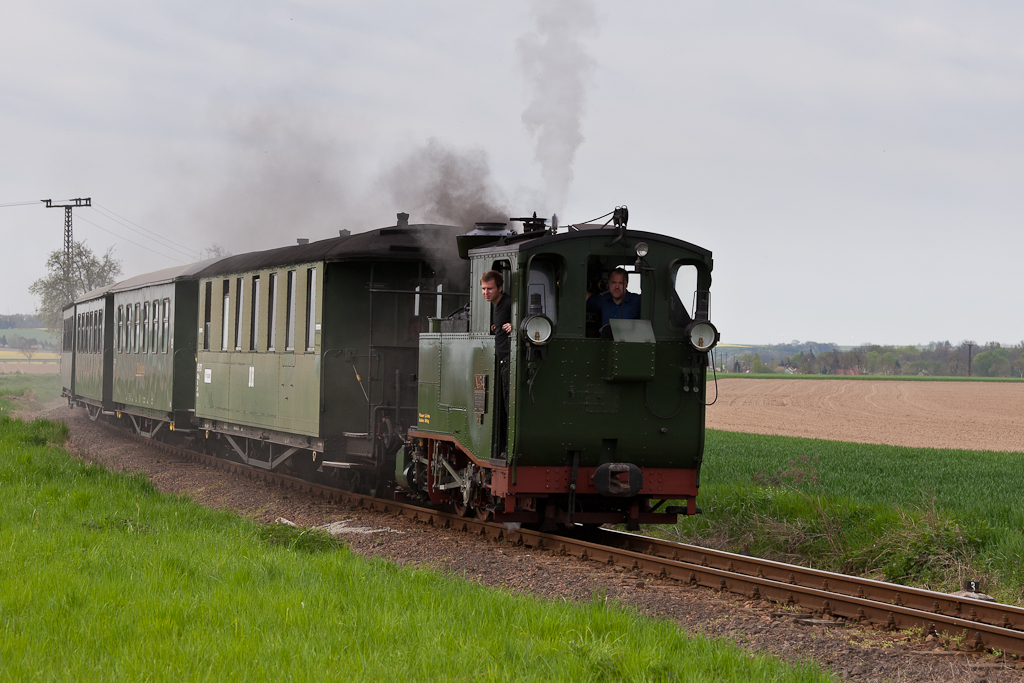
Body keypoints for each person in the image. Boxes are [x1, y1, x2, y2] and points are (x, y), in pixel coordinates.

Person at [481, 270, 511, 459]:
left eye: (490, 289)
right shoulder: (495, 306)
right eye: (484, 289)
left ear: (500, 288)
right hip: (501, 361)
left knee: (509, 406)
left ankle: (508, 446)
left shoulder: (508, 304)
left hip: (508, 360)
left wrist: (514, 325)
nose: (486, 293)